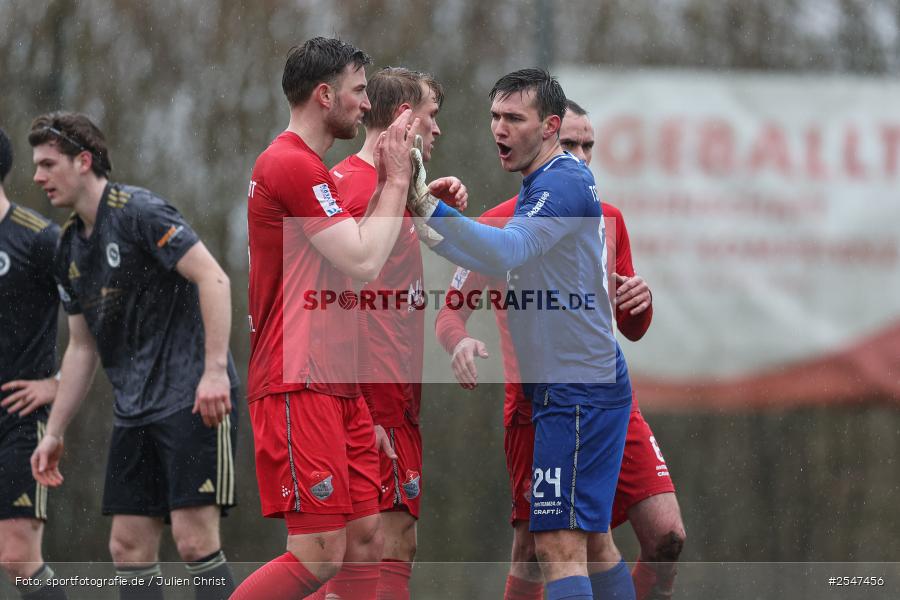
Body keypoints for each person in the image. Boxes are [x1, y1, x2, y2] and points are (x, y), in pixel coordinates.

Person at [435, 100, 686, 600]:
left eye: (588, 145)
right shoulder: (499, 224)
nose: (580, 157)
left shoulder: (606, 219)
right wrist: (459, 340)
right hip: (538, 409)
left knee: (667, 537)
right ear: (545, 142)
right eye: (569, 144)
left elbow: (631, 327)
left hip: (609, 401)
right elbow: (449, 312)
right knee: (542, 549)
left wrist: (641, 303)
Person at [407, 69, 634, 600]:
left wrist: (422, 203)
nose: (498, 129)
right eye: (494, 116)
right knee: (586, 544)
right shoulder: (544, 183)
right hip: (572, 388)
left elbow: (506, 251)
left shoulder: (561, 182)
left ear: (551, 126)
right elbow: (492, 251)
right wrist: (427, 221)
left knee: (556, 545)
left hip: (576, 390)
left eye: (514, 118)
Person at [231, 38, 435, 600]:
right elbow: (365, 260)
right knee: (319, 553)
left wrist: (363, 405)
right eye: (359, 91)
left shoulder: (312, 170)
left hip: (338, 383)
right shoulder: (289, 163)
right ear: (325, 95)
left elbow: (354, 269)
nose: (366, 105)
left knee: (367, 536)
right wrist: (396, 179)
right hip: (298, 379)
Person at [28, 112, 239, 600]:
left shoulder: (140, 212)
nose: (38, 177)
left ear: (84, 161)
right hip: (133, 411)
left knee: (193, 543)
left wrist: (213, 373)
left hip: (193, 399)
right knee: (127, 548)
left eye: (48, 164)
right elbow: (82, 347)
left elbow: (215, 279)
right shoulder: (66, 248)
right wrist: (54, 431)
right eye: (35, 166)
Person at [324, 66, 455, 600]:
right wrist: (360, 409)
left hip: (399, 404)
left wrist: (428, 203)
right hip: (369, 404)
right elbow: (330, 311)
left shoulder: (398, 190)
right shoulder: (350, 187)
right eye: (431, 117)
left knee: (397, 541)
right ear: (404, 117)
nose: (438, 130)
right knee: (359, 548)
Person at [0, 127, 67, 600]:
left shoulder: (40, 239)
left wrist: (58, 383)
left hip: (18, 420)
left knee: (17, 556)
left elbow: (101, 321)